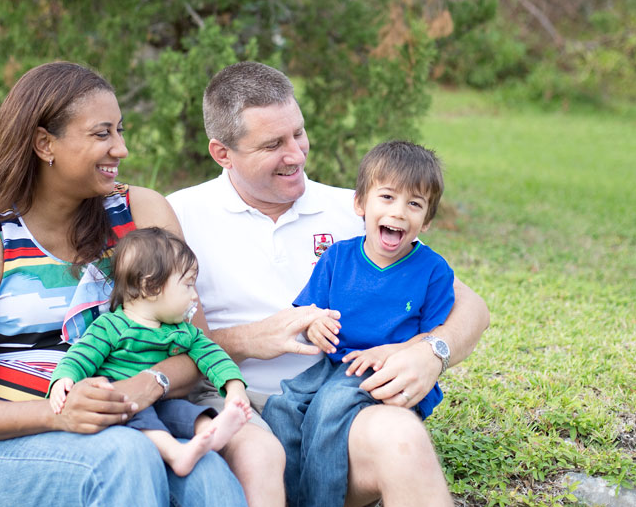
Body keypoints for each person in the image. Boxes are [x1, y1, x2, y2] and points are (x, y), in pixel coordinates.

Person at [168, 61, 491, 507]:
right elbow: (150, 343)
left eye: (298, 133)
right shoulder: (179, 217)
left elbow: (470, 306)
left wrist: (430, 353)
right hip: (229, 401)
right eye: (273, 144)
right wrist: (246, 339)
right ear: (222, 152)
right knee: (252, 462)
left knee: (402, 439)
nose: (297, 154)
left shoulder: (358, 209)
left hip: (343, 394)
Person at [0, 61, 248, 507]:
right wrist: (57, 413)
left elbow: (195, 344)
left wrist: (148, 383)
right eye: (102, 134)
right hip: (6, 444)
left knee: (208, 476)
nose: (120, 149)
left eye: (120, 130)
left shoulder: (142, 215)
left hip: (131, 423)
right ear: (45, 143)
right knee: (124, 456)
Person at [262, 141, 456, 507]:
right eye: (387, 197)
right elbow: (310, 311)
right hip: (335, 364)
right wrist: (315, 324)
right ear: (360, 204)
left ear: (427, 220)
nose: (398, 213)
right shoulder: (339, 256)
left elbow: (433, 335)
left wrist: (399, 351)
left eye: (414, 204)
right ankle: (287, 496)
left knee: (330, 407)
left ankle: (318, 501)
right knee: (281, 406)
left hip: (386, 372)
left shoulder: (433, 271)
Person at [48, 227, 253, 477]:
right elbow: (81, 356)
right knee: (140, 414)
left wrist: (234, 387)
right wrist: (63, 379)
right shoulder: (111, 326)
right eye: (188, 285)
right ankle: (175, 454)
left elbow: (214, 356)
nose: (194, 297)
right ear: (151, 287)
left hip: (161, 402)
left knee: (188, 412)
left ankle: (211, 433)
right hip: (122, 403)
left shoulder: (183, 331)